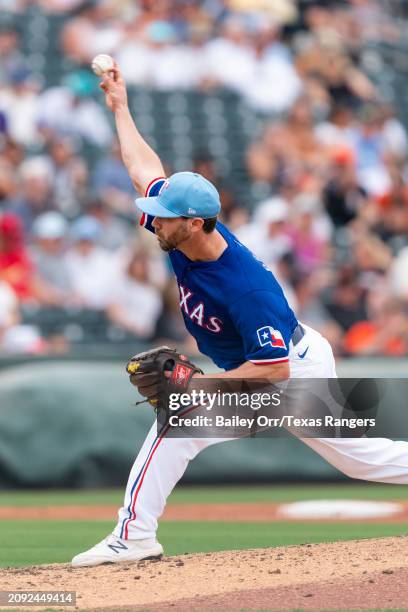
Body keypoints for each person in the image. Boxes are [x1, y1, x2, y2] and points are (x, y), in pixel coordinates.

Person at [72, 63, 408, 567]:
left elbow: (276, 371)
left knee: (183, 419)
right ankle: (134, 534)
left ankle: (133, 536)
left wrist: (197, 388)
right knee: (358, 458)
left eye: (163, 217)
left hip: (290, 372)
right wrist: (121, 106)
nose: (152, 220)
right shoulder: (182, 232)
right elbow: (144, 167)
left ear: (193, 223)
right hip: (278, 358)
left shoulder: (246, 286)